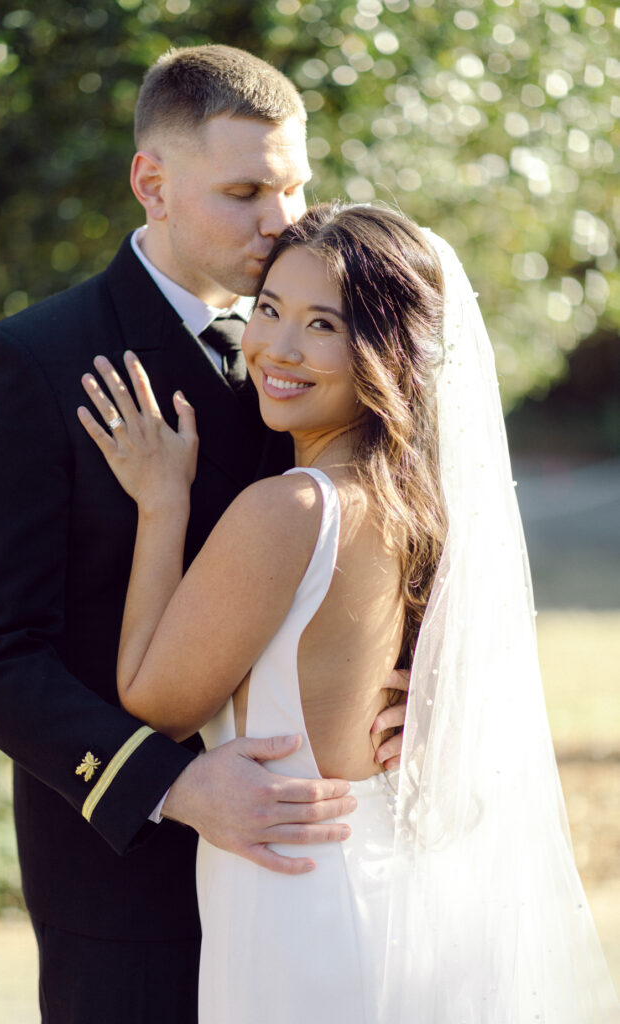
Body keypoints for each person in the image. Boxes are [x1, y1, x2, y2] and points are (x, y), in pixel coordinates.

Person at [0, 48, 406, 1023]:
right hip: (130, 886)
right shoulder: (35, 362)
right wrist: (171, 784)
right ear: (151, 182)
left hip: (313, 873)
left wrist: (417, 688)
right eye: (243, 191)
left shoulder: (325, 353)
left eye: (293, 184)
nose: (280, 218)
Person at [80, 201, 619, 1022]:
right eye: (268, 309)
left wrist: (162, 503)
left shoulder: (290, 508)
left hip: (301, 903)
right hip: (385, 881)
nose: (277, 349)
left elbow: (156, 701)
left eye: (322, 325)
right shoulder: (417, 504)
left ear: (387, 351)